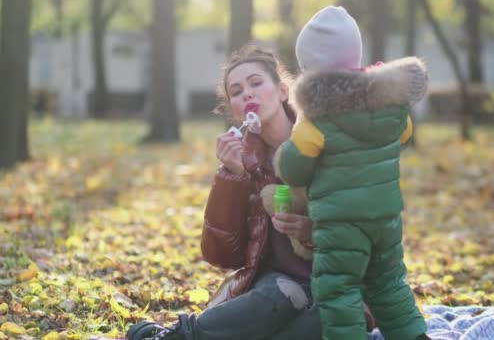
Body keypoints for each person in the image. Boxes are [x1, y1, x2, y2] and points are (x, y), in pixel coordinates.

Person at [123, 46, 377, 340]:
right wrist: (233, 177)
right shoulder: (245, 162)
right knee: (281, 293)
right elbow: (222, 255)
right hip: (278, 286)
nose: (247, 94)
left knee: (326, 321)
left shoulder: (326, 144)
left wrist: (312, 231)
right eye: (236, 90)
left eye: (256, 83)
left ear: (283, 92)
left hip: (339, 288)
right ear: (234, 109)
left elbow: (368, 234)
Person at [274, 6, 429, 340]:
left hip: (342, 225)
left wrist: (285, 152)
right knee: (388, 284)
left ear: (311, 69)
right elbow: (403, 136)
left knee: (338, 292)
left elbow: (294, 171)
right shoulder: (392, 105)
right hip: (387, 218)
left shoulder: (316, 120)